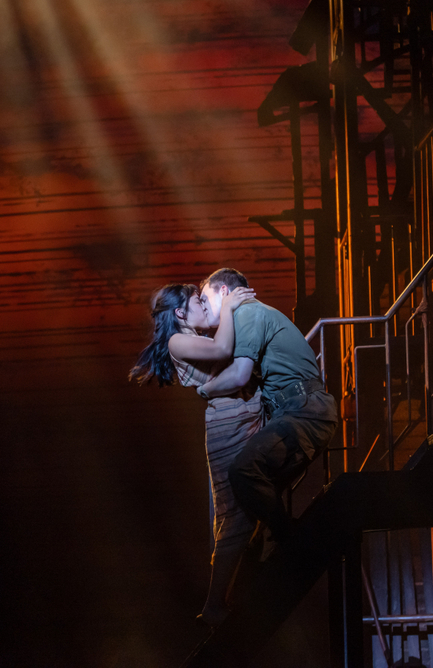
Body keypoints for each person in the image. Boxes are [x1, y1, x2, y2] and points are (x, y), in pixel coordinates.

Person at [129, 282, 263, 627]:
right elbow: (222, 349)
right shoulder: (177, 340)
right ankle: (214, 604)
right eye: (197, 302)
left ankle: (230, 596)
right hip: (227, 426)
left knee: (246, 509)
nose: (205, 306)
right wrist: (229, 306)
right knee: (235, 514)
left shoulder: (195, 337)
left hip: (240, 418)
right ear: (180, 313)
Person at [194, 268, 338, 549]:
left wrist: (205, 390)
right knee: (251, 491)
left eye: (204, 298)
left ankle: (290, 543)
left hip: (304, 412)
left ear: (224, 292)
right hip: (298, 411)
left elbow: (239, 375)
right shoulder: (246, 318)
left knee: (243, 471)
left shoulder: (247, 312)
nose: (202, 305)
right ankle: (267, 547)